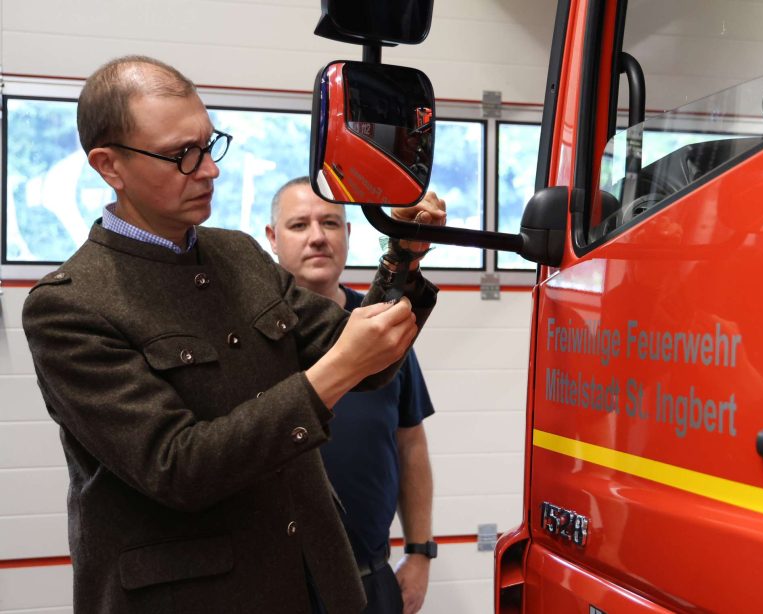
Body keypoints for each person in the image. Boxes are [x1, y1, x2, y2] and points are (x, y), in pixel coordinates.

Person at [21, 55, 446, 614]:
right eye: (181, 156)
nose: (209, 170)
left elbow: (372, 358)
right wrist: (335, 371)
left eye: (209, 144)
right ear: (109, 165)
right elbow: (177, 467)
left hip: (319, 581)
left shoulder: (239, 254)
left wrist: (403, 257)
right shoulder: (69, 306)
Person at [266, 178, 440, 614]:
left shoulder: (383, 326)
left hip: (369, 580)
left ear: (349, 233)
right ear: (272, 238)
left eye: (330, 222)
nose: (317, 236)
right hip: (277, 584)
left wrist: (419, 550)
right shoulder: (254, 335)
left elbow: (410, 443)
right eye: (299, 224)